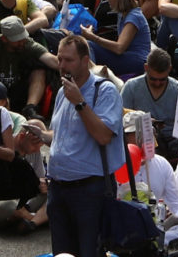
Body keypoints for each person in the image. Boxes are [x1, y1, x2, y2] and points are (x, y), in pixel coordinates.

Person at [45, 32, 124, 257]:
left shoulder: (105, 91)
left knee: (89, 252)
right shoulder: (62, 91)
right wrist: (41, 136)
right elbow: (62, 137)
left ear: (84, 59)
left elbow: (103, 136)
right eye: (59, 59)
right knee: (62, 254)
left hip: (89, 190)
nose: (62, 65)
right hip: (58, 189)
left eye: (68, 60)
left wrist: (80, 103)